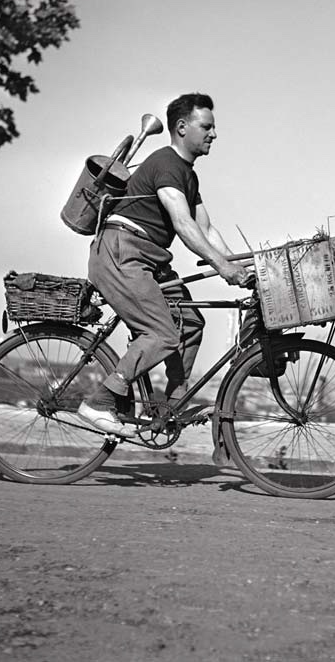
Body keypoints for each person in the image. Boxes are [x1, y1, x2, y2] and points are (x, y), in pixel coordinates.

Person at [78, 92, 250, 437]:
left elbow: (205, 228)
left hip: (146, 258)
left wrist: (243, 265)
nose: (214, 134)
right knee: (161, 333)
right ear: (182, 127)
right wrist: (223, 268)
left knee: (189, 324)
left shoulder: (187, 174)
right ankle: (100, 401)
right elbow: (183, 224)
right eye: (207, 126)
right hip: (122, 252)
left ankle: (169, 409)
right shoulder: (166, 164)